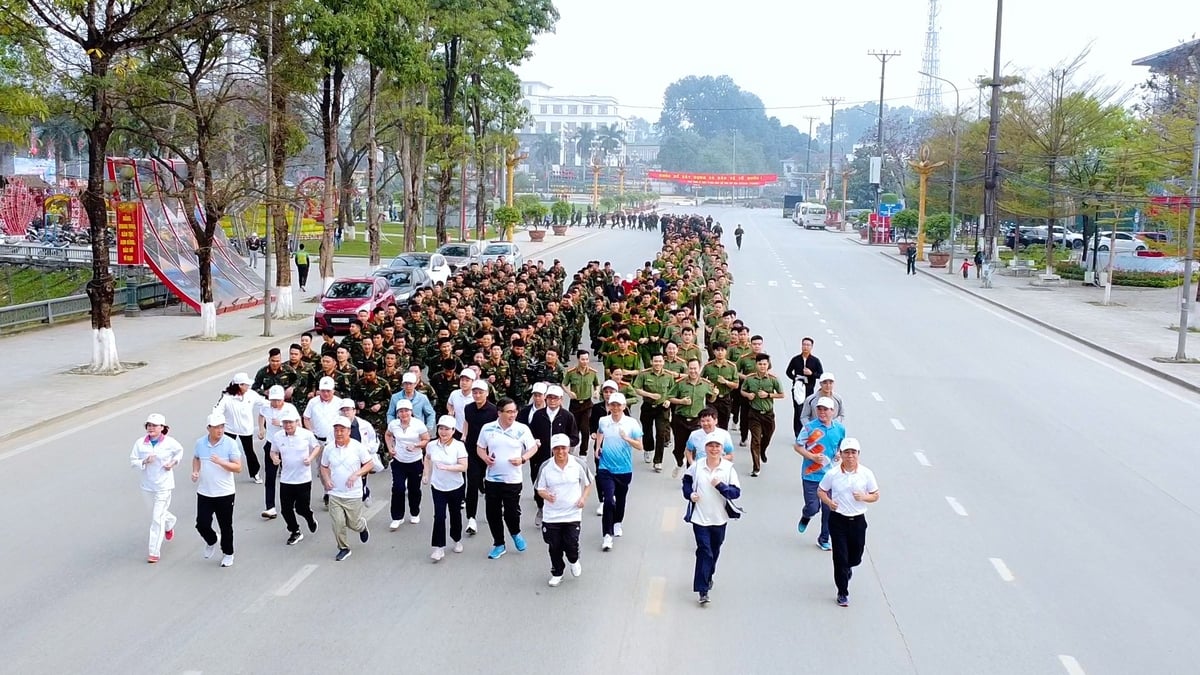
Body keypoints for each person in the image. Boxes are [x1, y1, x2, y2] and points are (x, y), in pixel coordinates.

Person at [817, 437, 879, 607]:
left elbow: (875, 495)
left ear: (858, 454)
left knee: (855, 557)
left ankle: (849, 568)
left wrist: (864, 497)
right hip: (838, 520)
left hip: (858, 520)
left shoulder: (866, 474)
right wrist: (829, 503)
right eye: (847, 453)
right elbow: (821, 490)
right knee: (839, 558)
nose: (850, 456)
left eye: (853, 453)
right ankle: (842, 592)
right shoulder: (833, 474)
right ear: (841, 454)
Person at [682, 433, 742, 605]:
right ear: (705, 448)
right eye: (710, 446)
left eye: (717, 446)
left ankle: (708, 575)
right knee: (704, 551)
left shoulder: (728, 468)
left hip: (719, 518)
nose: (714, 449)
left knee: (714, 551)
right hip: (699, 518)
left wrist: (720, 486)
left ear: (722, 450)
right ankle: (703, 590)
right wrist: (690, 494)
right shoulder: (697, 466)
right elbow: (686, 481)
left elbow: (736, 493)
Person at [477, 397, 540, 560]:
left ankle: (515, 532)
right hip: (492, 478)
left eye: (514, 411)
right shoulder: (488, 428)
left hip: (512, 479)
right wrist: (485, 458)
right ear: (499, 413)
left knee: (511, 512)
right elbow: (480, 447)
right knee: (493, 513)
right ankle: (499, 544)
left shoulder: (522, 429)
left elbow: (533, 447)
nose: (512, 415)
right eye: (509, 412)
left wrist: (523, 459)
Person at [535, 433, 591, 587]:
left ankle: (574, 559)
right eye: (556, 449)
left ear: (569, 448)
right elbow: (539, 489)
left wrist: (583, 499)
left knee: (571, 543)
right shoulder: (546, 467)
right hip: (552, 515)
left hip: (572, 513)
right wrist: (546, 495)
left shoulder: (578, 464)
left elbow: (588, 483)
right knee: (554, 546)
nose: (560, 452)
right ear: (552, 449)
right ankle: (557, 572)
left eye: (563, 448)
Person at [129, 413, 184, 563]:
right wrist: (144, 461)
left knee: (156, 518)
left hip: (164, 485)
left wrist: (173, 463)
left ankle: (154, 552)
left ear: (162, 428)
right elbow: (133, 460)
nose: (151, 428)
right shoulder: (140, 443)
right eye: (149, 425)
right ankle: (170, 522)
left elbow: (179, 451)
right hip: (147, 486)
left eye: (154, 425)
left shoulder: (170, 442)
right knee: (156, 513)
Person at [794, 397, 846, 551]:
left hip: (830, 476)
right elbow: (798, 446)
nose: (822, 412)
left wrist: (838, 454)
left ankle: (824, 538)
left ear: (833, 411)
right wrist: (811, 457)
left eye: (826, 409)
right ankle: (806, 514)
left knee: (828, 509)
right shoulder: (810, 428)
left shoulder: (840, 429)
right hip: (811, 475)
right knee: (813, 507)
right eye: (820, 409)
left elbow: (840, 446)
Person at [191, 413, 242, 568]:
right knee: (201, 523)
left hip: (224, 493)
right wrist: (195, 471)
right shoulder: (200, 443)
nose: (220, 430)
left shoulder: (230, 443)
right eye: (216, 427)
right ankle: (212, 540)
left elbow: (238, 467)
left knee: (226, 525)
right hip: (205, 491)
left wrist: (221, 462)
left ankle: (228, 553)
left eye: (222, 427)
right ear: (209, 428)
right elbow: (196, 458)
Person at [320, 416, 373, 561]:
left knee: (353, 523)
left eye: (342, 430)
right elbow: (324, 467)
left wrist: (357, 474)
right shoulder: (329, 448)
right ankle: (343, 548)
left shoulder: (358, 447)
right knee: (338, 523)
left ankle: (362, 527)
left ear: (348, 431)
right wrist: (327, 480)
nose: (339, 433)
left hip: (353, 494)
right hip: (335, 493)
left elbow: (369, 464)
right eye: (336, 430)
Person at [595, 392, 643, 552]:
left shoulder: (631, 423)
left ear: (624, 407)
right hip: (605, 467)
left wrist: (627, 439)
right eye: (612, 405)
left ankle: (617, 523)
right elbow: (600, 432)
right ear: (609, 406)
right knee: (608, 500)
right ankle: (607, 535)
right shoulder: (604, 421)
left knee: (620, 499)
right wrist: (597, 448)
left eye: (618, 405)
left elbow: (639, 446)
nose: (615, 408)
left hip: (623, 469)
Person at [528, 384, 580, 527]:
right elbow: (530, 434)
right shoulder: (538, 415)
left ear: (561, 399)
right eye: (549, 398)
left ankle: (557, 510)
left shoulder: (567, 416)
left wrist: (565, 444)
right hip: (539, 457)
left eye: (555, 398)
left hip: (560, 458)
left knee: (557, 483)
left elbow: (575, 437)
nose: (552, 401)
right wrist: (534, 442)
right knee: (538, 483)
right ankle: (541, 508)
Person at [268, 408, 321, 545]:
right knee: (285, 509)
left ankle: (309, 517)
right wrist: (274, 458)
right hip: (286, 479)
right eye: (285, 423)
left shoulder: (306, 435)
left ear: (297, 422)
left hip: (303, 479)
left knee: (301, 508)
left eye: (290, 422)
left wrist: (310, 458)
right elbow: (273, 451)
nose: (288, 425)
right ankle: (295, 531)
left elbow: (316, 447)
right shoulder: (278, 436)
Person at [423, 415, 468, 562]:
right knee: (439, 515)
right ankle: (438, 547)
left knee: (455, 514)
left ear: (453, 430)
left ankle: (456, 539)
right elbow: (428, 458)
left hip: (455, 486)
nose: (443, 432)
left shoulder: (459, 446)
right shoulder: (431, 445)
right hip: (438, 486)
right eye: (441, 428)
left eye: (447, 429)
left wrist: (448, 467)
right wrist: (426, 475)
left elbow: (464, 466)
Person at [384, 398, 430, 530]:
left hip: (415, 461)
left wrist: (416, 445)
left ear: (411, 412)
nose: (404, 414)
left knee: (414, 489)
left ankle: (414, 512)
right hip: (399, 461)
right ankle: (397, 517)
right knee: (398, 488)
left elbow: (426, 439)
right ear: (397, 413)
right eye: (401, 412)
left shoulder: (418, 425)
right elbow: (388, 435)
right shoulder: (393, 424)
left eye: (406, 411)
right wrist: (390, 448)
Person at [213, 372, 265, 483]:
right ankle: (224, 471)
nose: (248, 387)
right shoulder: (227, 397)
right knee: (225, 450)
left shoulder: (251, 394)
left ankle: (255, 472)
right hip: (229, 429)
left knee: (249, 451)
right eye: (246, 384)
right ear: (240, 385)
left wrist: (276, 404)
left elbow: (263, 402)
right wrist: (216, 423)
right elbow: (217, 410)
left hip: (246, 429)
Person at [461, 379, 498, 536]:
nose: (477, 395)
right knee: (472, 483)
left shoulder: (494, 410)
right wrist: (464, 435)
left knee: (492, 485)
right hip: (472, 451)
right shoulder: (468, 408)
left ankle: (496, 509)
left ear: (487, 394)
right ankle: (471, 518)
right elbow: (468, 423)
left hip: (490, 453)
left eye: (480, 392)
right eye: (474, 392)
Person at [257, 385, 298, 519]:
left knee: (290, 475)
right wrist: (261, 429)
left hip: (288, 445)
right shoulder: (266, 407)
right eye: (273, 400)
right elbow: (261, 415)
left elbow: (298, 424)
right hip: (271, 444)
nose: (275, 403)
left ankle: (292, 501)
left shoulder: (289, 409)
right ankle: (270, 507)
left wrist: (281, 424)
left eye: (278, 400)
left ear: (283, 399)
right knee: (270, 477)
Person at [740, 353, 784, 477]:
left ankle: (763, 450)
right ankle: (756, 467)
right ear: (756, 365)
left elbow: (781, 394)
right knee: (755, 440)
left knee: (768, 436)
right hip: (754, 414)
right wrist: (748, 395)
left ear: (768, 365)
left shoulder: (773, 379)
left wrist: (768, 395)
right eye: (760, 364)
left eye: (764, 364)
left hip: (768, 414)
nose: (762, 366)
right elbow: (743, 390)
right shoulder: (750, 378)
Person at [784, 337, 823, 437]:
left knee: (808, 412)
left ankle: (806, 432)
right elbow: (788, 372)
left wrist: (811, 374)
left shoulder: (815, 361)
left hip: (809, 389)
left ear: (811, 347)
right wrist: (795, 378)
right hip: (797, 388)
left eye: (808, 345)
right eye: (804, 344)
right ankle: (798, 434)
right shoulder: (796, 359)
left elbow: (821, 375)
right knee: (798, 411)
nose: (805, 347)